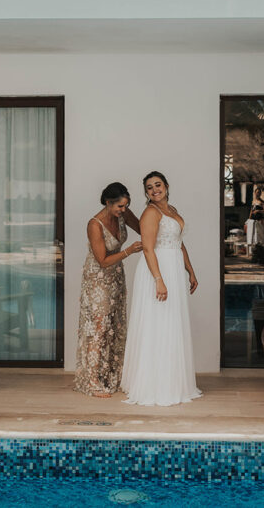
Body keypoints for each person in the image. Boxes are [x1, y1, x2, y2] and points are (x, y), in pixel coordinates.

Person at [121, 171, 202, 406]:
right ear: (146, 192)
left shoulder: (172, 210)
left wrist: (190, 270)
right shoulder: (150, 213)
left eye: (158, 185)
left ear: (166, 185)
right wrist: (158, 279)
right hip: (158, 269)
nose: (154, 189)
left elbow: (179, 243)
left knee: (172, 322)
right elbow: (148, 248)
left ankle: (175, 380)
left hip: (174, 268)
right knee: (159, 323)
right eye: (149, 187)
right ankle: (155, 384)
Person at [74, 182, 143, 398]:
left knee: (114, 324)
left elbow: (143, 228)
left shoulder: (124, 213)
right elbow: (102, 260)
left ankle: (111, 374)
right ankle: (92, 380)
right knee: (98, 327)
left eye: (126, 206)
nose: (124, 210)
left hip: (116, 277)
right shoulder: (94, 225)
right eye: (120, 207)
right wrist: (130, 251)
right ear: (107, 202)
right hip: (98, 279)